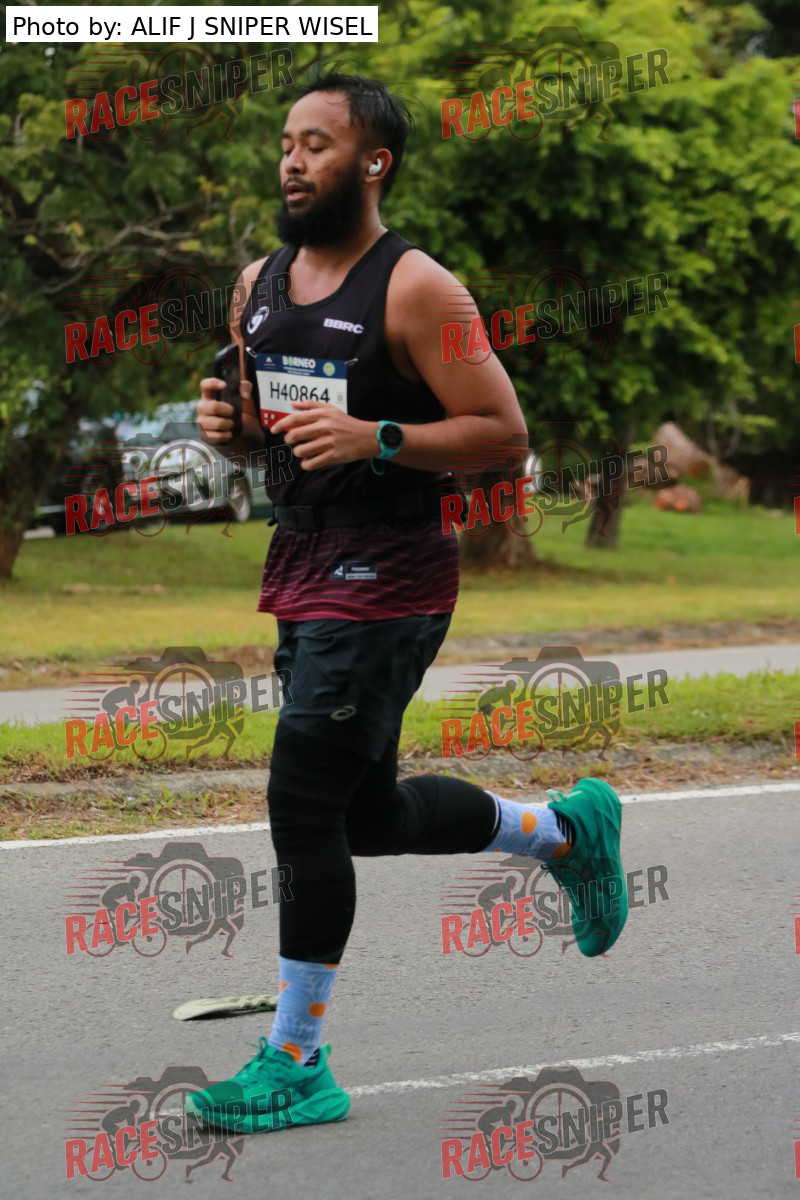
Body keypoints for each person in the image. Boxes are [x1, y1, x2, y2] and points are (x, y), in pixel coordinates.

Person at [189, 70, 627, 1136]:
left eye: (318, 144)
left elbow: (503, 434)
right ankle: (562, 832)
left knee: (301, 801)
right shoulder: (257, 286)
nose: (293, 162)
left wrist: (378, 437)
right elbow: (274, 439)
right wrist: (233, 431)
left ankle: (297, 1059)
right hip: (301, 565)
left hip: (391, 575)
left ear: (373, 163)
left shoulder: (422, 290)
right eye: (287, 144)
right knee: (363, 817)